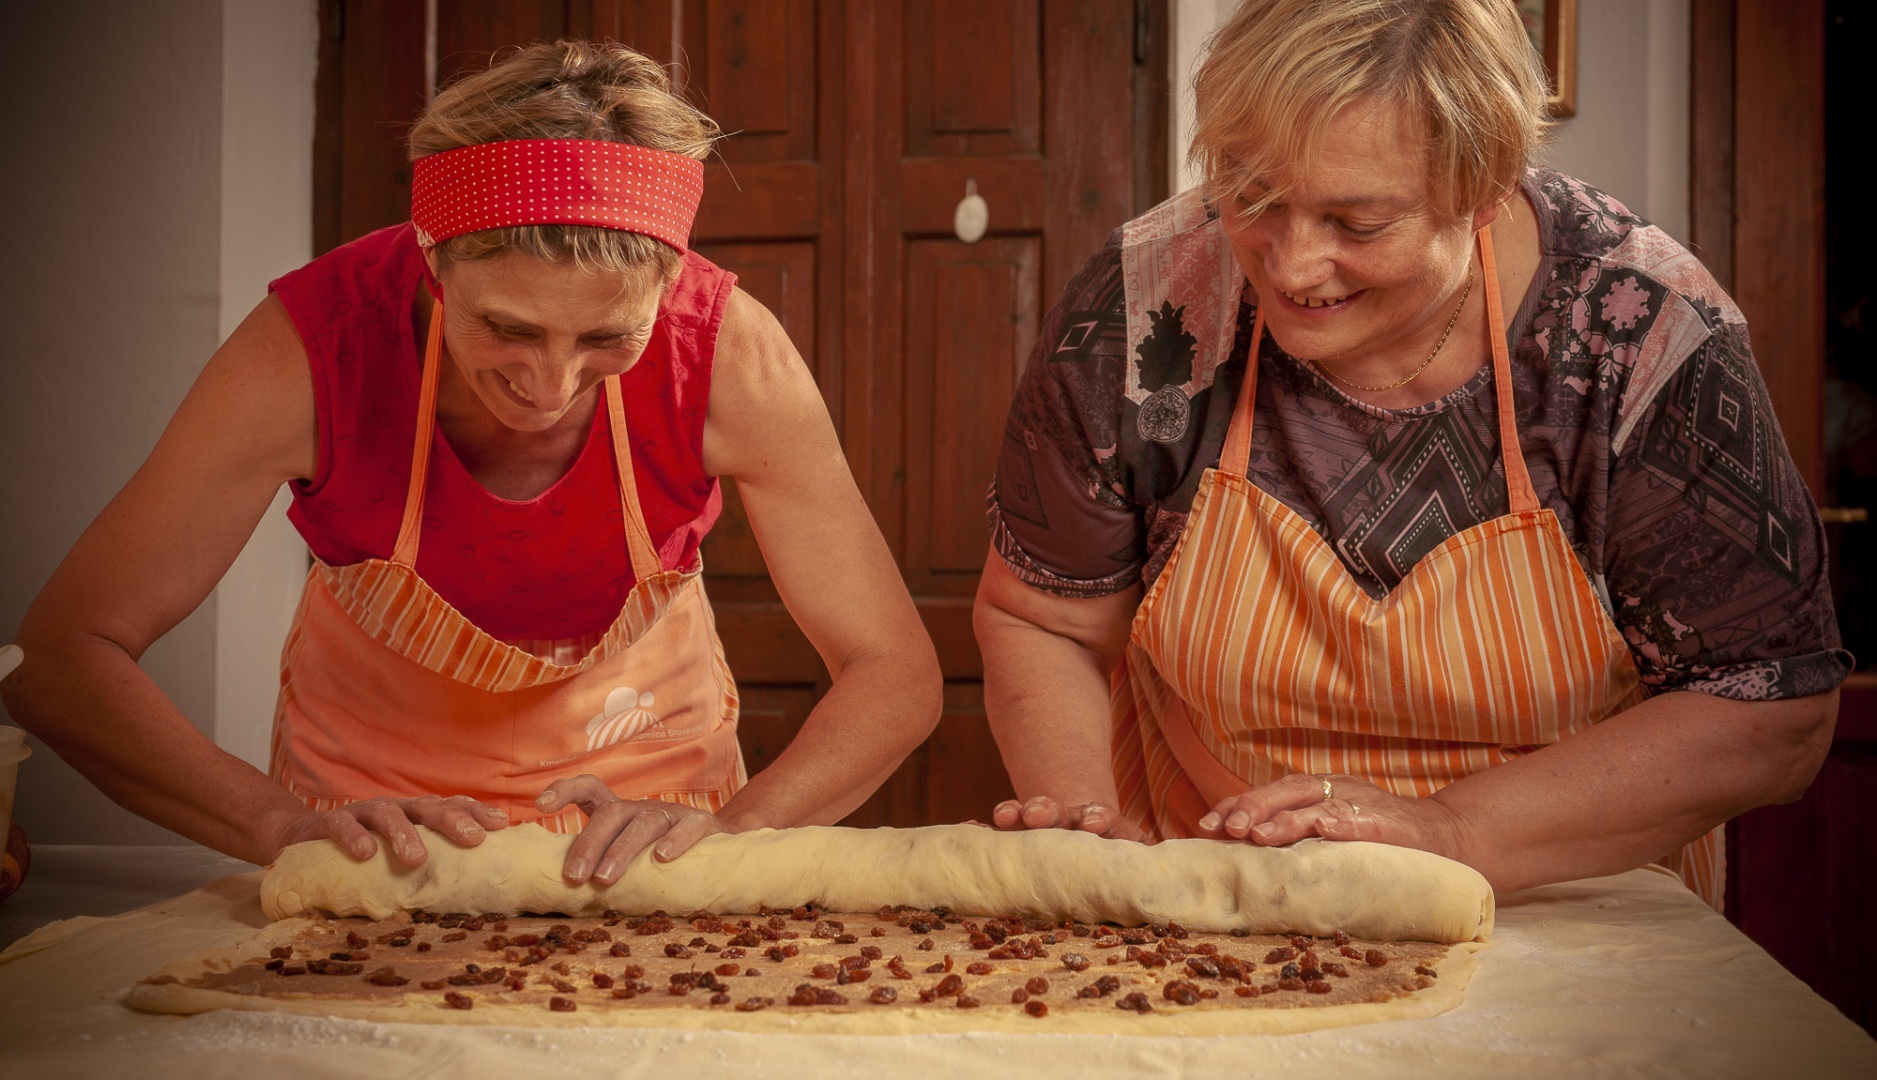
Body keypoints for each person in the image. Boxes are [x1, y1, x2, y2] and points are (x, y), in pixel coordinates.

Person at [974, 0, 1849, 907]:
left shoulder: (1636, 336)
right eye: (1253, 197)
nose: (1291, 265)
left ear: (1485, 188)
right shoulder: (1147, 307)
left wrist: (1446, 831)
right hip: (1214, 900)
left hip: (1565, 911)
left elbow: (1770, 708)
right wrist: (1078, 824)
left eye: (1356, 224)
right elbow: (1046, 621)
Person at [0, 41, 940, 886]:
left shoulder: (725, 351)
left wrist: (736, 837)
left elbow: (892, 669)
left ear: (668, 289)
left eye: (610, 337)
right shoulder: (311, 348)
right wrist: (281, 824)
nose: (550, 385)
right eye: (505, 327)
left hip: (648, 781)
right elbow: (61, 655)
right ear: (431, 255)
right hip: (370, 809)